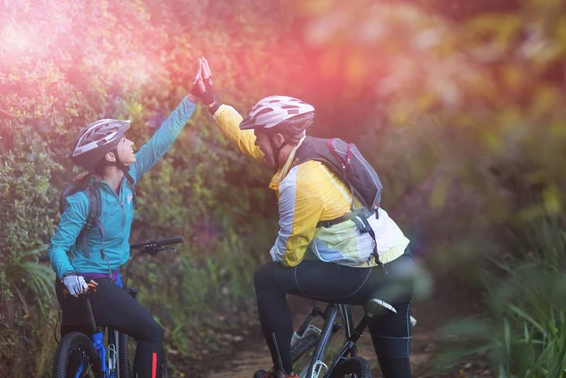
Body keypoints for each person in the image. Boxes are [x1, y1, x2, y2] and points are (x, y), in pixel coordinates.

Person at [194, 58, 415, 378]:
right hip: (397, 262)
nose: (256, 142)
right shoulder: (310, 150)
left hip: (368, 274)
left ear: (279, 139)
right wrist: (212, 101)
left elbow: (289, 254)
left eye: (260, 136)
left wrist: (277, 259)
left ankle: (283, 371)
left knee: (267, 278)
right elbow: (248, 142)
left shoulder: (299, 181)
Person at [47, 61, 207, 378]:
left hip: (104, 279)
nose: (131, 143)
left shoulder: (129, 178)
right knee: (151, 333)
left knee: (84, 357)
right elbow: (57, 248)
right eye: (123, 141)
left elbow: (162, 140)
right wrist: (68, 274)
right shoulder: (84, 200)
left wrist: (192, 97)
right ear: (109, 157)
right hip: (87, 281)